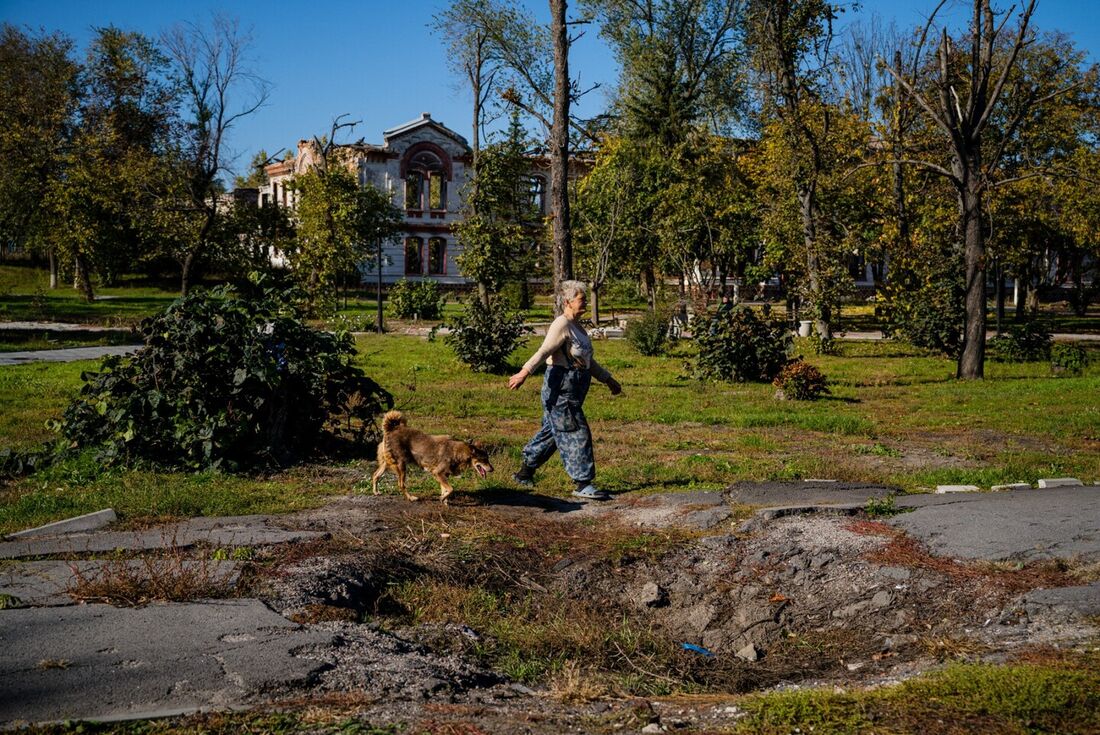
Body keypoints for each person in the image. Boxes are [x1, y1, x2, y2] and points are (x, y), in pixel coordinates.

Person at [508, 280, 622, 500]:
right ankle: (582, 483)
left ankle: (524, 473)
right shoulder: (561, 324)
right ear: (568, 302)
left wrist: (608, 380)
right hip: (561, 391)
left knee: (552, 433)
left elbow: (587, 361)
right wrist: (524, 373)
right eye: (582, 299)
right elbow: (543, 352)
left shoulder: (578, 326)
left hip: (574, 390)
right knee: (576, 431)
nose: (585, 301)